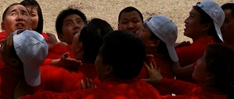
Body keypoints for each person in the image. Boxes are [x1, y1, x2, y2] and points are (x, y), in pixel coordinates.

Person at [23, 31, 162, 99]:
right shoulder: (150, 91)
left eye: (99, 55)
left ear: (108, 69)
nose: (96, 59)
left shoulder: (91, 96)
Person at [37, 18, 113, 93]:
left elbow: (29, 71)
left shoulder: (56, 75)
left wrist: (57, 62)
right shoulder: (112, 79)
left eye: (78, 32)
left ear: (80, 46)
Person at [146, 44, 234, 99]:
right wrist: (162, 80)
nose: (196, 63)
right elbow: (192, 88)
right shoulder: (220, 93)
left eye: (201, 60)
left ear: (209, 75)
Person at [174, 0, 224, 81]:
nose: (186, 21)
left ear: (206, 26)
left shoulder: (191, 51)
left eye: (192, 17)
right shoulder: (218, 46)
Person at [137, 15, 179, 95]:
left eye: (143, 30)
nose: (137, 32)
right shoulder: (166, 63)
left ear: (154, 43)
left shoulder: (145, 66)